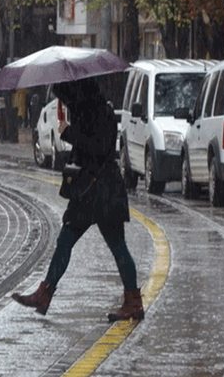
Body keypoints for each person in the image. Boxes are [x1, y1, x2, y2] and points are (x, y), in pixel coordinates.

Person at [11, 77, 143, 322]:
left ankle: (133, 301)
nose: (66, 103)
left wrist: (68, 132)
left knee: (117, 247)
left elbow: (99, 147)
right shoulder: (87, 110)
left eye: (67, 98)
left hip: (101, 190)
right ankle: (45, 292)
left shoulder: (99, 111)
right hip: (90, 191)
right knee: (66, 240)